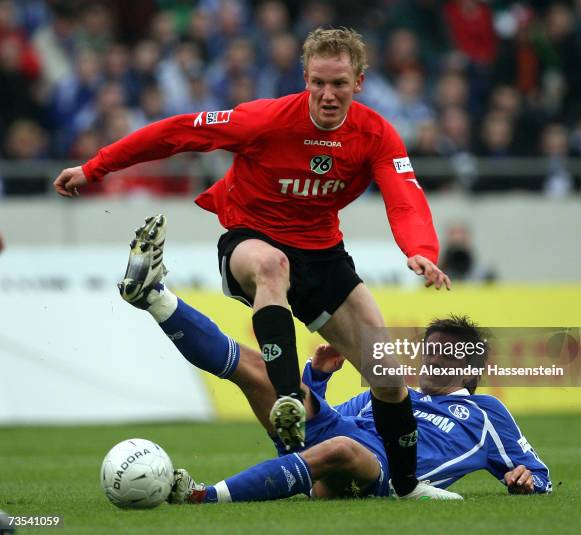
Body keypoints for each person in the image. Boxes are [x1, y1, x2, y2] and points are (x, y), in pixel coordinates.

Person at [53, 28, 451, 499]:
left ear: (359, 83)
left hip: (324, 256)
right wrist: (95, 167)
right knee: (271, 266)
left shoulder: (375, 133)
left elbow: (405, 198)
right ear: (305, 77)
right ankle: (287, 396)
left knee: (387, 377)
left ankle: (407, 489)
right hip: (251, 238)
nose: (327, 94)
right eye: (318, 82)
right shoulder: (264, 120)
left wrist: (421, 250)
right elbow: (177, 133)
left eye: (339, 84)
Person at [165, 313, 552, 504]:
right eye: (431, 347)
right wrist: (316, 377)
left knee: (342, 450)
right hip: (334, 445)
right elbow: (333, 423)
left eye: (446, 352)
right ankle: (159, 300)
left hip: (381, 471)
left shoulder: (485, 411)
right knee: (258, 366)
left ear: (469, 368)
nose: (433, 357)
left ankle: (205, 496)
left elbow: (538, 473)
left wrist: (527, 480)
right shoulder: (390, 394)